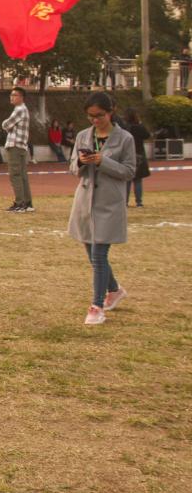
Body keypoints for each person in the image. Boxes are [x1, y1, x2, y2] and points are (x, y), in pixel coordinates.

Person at [68, 92, 135, 325]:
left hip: (109, 203)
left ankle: (97, 306)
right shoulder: (83, 136)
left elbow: (129, 171)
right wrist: (80, 162)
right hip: (85, 201)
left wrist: (102, 161)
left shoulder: (125, 138)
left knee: (99, 255)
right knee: (92, 254)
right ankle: (114, 290)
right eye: (90, 116)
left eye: (100, 115)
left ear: (110, 112)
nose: (95, 120)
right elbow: (72, 168)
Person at [2, 87, 33, 212]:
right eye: (11, 95)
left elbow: (6, 124)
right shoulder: (24, 109)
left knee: (15, 175)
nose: (11, 97)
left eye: (14, 95)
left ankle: (20, 203)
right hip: (21, 146)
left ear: (21, 97)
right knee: (23, 175)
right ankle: (27, 202)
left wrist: (6, 125)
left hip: (14, 145)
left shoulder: (19, 110)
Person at [122, 108, 151, 208]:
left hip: (127, 154)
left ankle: (125, 202)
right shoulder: (139, 127)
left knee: (127, 180)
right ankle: (139, 202)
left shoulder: (125, 127)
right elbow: (147, 135)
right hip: (139, 154)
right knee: (138, 180)